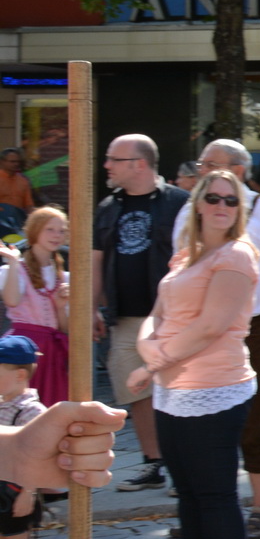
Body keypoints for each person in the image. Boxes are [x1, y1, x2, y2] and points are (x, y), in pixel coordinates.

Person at [130, 169, 260, 539]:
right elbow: (157, 312)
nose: (223, 206)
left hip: (216, 389)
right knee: (187, 494)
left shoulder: (237, 255)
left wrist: (151, 362)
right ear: (200, 203)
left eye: (232, 200)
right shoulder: (186, 255)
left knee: (215, 496)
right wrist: (150, 349)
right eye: (216, 198)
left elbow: (211, 325)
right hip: (173, 390)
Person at [175, 140, 260, 539]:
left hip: (253, 327)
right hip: (198, 329)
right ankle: (210, 508)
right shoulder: (188, 209)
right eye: (202, 166)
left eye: (210, 165)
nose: (202, 171)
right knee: (200, 420)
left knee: (256, 418)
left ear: (237, 169)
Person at [93, 134, 190, 492]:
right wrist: (91, 308)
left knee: (178, 391)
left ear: (139, 164)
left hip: (171, 318)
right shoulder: (107, 207)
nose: (106, 165)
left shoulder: (180, 203)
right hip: (125, 319)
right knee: (136, 394)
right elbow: (96, 259)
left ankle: (184, 467)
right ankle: (153, 464)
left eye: (113, 159)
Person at [3, 207, 70, 409]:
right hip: (22, 350)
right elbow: (12, 301)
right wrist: (13, 262)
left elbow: (64, 329)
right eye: (50, 229)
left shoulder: (63, 277)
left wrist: (60, 307)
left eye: (61, 230)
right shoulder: (14, 270)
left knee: (52, 405)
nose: (56, 235)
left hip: (52, 352)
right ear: (35, 231)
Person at [0, 335, 46, 539]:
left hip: (18, 490)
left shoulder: (31, 411)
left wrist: (28, 493)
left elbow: (37, 457)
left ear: (19, 375)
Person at [0, 148, 36, 216]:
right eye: (12, 161)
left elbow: (28, 205)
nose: (16, 164)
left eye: (18, 162)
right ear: (2, 162)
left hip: (17, 221)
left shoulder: (23, 181)